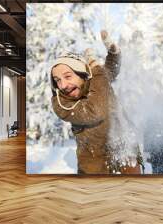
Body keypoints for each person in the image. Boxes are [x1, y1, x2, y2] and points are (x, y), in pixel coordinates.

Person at [50, 31, 121, 174]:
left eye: (68, 76)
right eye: (57, 80)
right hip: (95, 166)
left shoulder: (97, 81)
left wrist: (113, 52)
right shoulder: (61, 103)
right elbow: (95, 111)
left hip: (123, 151)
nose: (63, 85)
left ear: (81, 73)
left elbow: (111, 70)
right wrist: (95, 69)